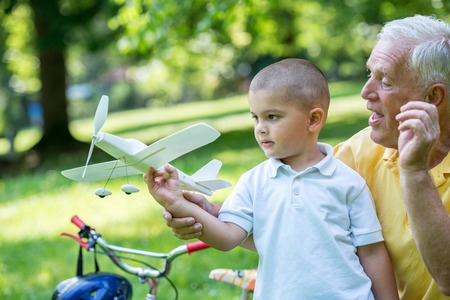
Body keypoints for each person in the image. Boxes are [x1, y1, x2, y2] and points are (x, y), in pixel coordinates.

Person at [160, 15, 450, 300]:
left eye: (384, 80)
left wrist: (414, 172)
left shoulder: (352, 176)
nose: (365, 92)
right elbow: (307, 223)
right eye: (368, 74)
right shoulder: (358, 154)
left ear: (433, 97)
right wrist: (213, 215)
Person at [145, 59, 399, 299]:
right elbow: (227, 237)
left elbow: (372, 252)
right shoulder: (254, 181)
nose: (260, 128)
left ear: (313, 119)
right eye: (255, 117)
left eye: (272, 117)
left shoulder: (347, 183)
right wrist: (178, 204)